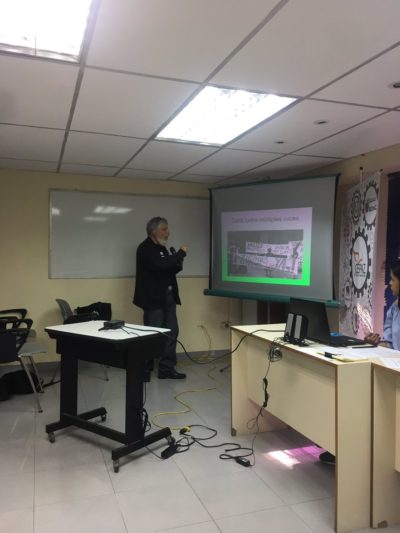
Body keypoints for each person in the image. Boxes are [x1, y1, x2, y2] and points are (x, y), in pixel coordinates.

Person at [320, 259, 400, 466]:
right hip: (391, 369)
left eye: (393, 279)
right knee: (355, 393)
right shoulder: (395, 308)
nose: (390, 284)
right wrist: (377, 342)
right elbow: (391, 343)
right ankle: (345, 448)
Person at [133, 216, 188, 380]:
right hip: (153, 299)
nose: (167, 232)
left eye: (167, 229)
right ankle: (144, 368)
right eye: (164, 229)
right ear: (153, 231)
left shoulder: (162, 248)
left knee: (172, 332)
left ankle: (166, 369)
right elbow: (161, 265)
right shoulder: (145, 248)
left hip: (168, 297)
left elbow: (167, 269)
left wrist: (177, 262)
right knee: (152, 334)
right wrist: (180, 253)